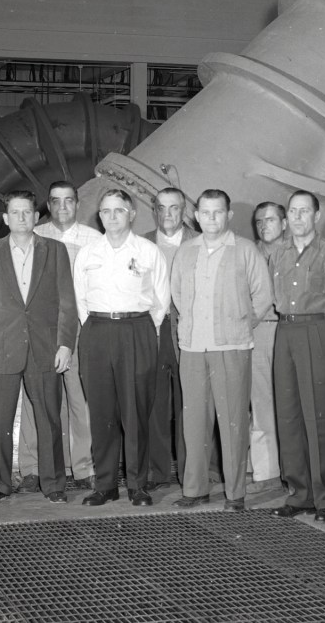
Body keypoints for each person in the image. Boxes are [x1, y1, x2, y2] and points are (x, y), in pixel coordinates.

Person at [0, 190, 78, 504]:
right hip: (2, 348)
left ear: (36, 217)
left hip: (45, 347)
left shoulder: (55, 251)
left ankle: (54, 484)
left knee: (49, 418)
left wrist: (65, 345)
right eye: (14, 212)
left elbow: (67, 303)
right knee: (0, 419)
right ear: (6, 219)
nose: (21, 217)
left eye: (27, 212)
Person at [171, 189, 273, 511]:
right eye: (205, 212)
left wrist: (241, 324)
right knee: (195, 422)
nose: (211, 218)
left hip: (231, 347)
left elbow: (262, 296)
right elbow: (176, 294)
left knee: (232, 422)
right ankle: (195, 489)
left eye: (218, 212)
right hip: (192, 348)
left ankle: (235, 494)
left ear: (228, 216)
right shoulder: (186, 252)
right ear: (196, 215)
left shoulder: (245, 251)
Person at [74, 189, 170, 507]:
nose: (112, 216)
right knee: (101, 412)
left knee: (136, 411)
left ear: (131, 214)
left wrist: (140, 330)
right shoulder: (87, 253)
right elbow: (80, 300)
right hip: (97, 330)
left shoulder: (147, 251)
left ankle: (137, 485)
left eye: (118, 210)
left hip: (137, 330)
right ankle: (105, 485)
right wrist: (99, 327)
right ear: (99, 216)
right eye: (106, 211)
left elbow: (160, 300)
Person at [268, 190, 325, 523]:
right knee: (288, 414)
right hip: (285, 332)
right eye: (293, 211)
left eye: (305, 211)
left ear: (317, 217)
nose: (298, 217)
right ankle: (299, 493)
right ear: (286, 217)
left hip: (318, 331)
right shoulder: (278, 254)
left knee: (321, 415)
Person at [15, 180, 102, 491]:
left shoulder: (95, 240)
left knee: (80, 399)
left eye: (68, 201)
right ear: (47, 206)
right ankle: (31, 468)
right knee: (33, 398)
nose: (63, 207)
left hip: (79, 327)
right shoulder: (34, 237)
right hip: (39, 330)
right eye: (56, 201)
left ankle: (83, 468)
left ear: (77, 204)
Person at [143, 187, 198, 491]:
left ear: (183, 210)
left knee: (188, 403)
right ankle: (156, 471)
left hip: (188, 330)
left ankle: (191, 472)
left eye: (174, 208)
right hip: (153, 329)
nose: (167, 215)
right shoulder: (141, 244)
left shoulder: (199, 243)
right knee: (155, 402)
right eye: (161, 208)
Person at [248, 201, 286, 493]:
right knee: (261, 404)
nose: (264, 226)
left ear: (284, 223)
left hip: (291, 331)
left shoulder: (297, 253)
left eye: (270, 220)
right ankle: (266, 471)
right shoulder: (248, 254)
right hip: (261, 331)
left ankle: (294, 469)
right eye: (259, 221)